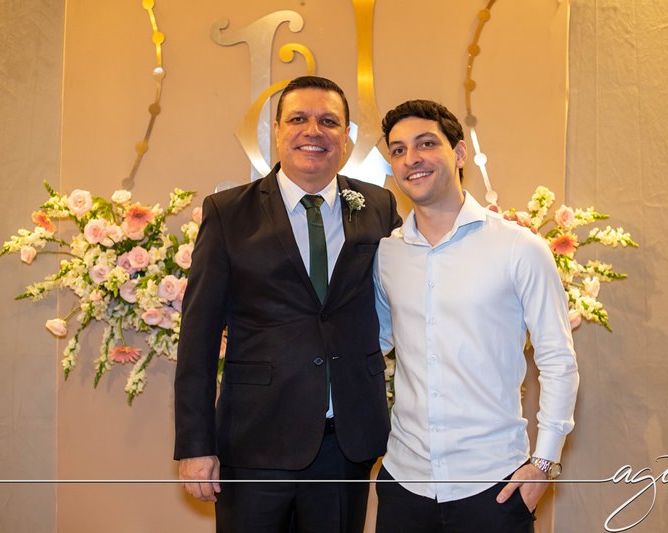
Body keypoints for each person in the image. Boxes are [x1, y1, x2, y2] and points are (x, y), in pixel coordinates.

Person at [174, 75, 401, 533]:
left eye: (328, 121)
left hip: (346, 443)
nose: (313, 131)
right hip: (254, 439)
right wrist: (196, 444)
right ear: (277, 131)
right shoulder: (227, 213)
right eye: (298, 119)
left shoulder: (378, 206)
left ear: (346, 136)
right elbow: (198, 337)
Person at [373, 100, 579, 533]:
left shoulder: (519, 248)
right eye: (398, 150)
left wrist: (544, 463)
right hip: (404, 482)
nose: (411, 159)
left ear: (460, 153)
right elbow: (372, 342)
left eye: (426, 144)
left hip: (493, 484)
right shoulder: (387, 254)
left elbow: (558, 360)